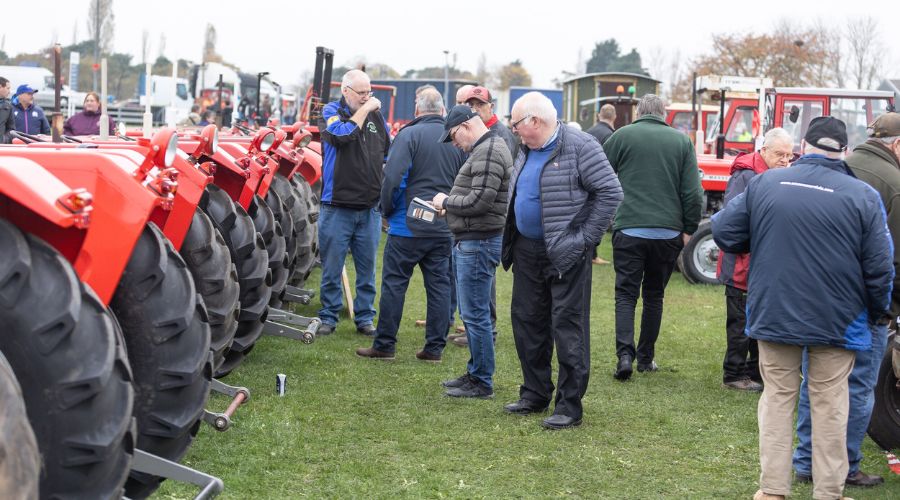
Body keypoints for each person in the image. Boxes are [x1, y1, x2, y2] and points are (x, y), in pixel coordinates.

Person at [712, 116, 893, 500]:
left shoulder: (766, 183)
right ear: (843, 150)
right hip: (838, 319)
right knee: (830, 402)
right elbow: (880, 266)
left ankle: (773, 490)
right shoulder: (862, 195)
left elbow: (725, 231)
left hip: (776, 312)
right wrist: (879, 310)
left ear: (804, 146)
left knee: (778, 398)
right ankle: (829, 491)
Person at [791, 112, 900, 489]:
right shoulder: (894, 184)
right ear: (897, 145)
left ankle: (806, 460)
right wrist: (886, 309)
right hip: (863, 306)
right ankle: (847, 464)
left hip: (817, 298)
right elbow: (892, 260)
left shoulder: (838, 168)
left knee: (814, 384)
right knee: (857, 387)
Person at [501, 92, 622, 429]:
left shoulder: (581, 146)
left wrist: (583, 239)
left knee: (567, 327)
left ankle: (569, 406)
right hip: (527, 250)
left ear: (535, 122)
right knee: (527, 321)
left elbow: (611, 193)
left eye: (516, 126)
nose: (515, 132)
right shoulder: (526, 148)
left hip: (565, 253)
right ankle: (534, 393)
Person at [355, 88, 464, 361]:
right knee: (440, 287)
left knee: (394, 285)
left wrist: (387, 211)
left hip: (408, 225)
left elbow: (393, 178)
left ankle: (385, 345)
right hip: (442, 226)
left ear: (417, 110)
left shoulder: (408, 134)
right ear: (442, 110)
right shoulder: (456, 139)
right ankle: (434, 349)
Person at [602, 94, 702, 381]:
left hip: (630, 227)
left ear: (638, 112)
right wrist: (689, 229)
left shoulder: (621, 136)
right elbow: (693, 192)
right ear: (664, 114)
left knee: (625, 294)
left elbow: (600, 175)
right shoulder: (681, 141)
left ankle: (624, 355)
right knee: (654, 295)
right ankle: (645, 358)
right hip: (667, 231)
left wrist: (610, 215)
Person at [430, 104, 511, 398]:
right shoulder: (486, 149)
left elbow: (481, 201)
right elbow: (479, 199)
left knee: (475, 315)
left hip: (478, 242)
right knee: (472, 313)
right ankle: (476, 373)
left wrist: (446, 203)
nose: (455, 144)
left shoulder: (488, 151)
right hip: (474, 239)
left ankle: (482, 381)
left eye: (454, 136)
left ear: (465, 126)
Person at [717, 128, 793, 392]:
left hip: (764, 263)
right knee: (740, 322)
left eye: (789, 156)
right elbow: (732, 217)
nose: (785, 160)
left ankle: (754, 372)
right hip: (741, 263)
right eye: (779, 154)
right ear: (764, 151)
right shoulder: (746, 175)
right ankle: (734, 374)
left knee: (759, 319)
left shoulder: (779, 176)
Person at [316, 69, 391, 336]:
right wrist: (367, 108)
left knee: (367, 269)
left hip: (368, 208)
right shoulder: (330, 111)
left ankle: (365, 317)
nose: (367, 97)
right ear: (346, 91)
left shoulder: (376, 117)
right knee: (332, 267)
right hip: (337, 206)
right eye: (361, 92)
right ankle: (329, 315)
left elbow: (386, 151)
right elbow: (341, 135)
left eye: (369, 92)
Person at [449, 85, 516, 348]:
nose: (472, 108)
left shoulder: (494, 140)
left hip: (483, 232)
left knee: (480, 292)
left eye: (477, 104)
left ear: (489, 107)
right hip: (479, 230)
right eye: (468, 103)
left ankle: (484, 331)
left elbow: (484, 197)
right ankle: (476, 329)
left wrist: (449, 202)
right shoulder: (486, 140)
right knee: (477, 293)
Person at [0, 77, 15, 143]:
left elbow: (11, 129)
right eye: (8, 88)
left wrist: (5, 139)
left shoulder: (8, 107)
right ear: (0, 87)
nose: (9, 92)